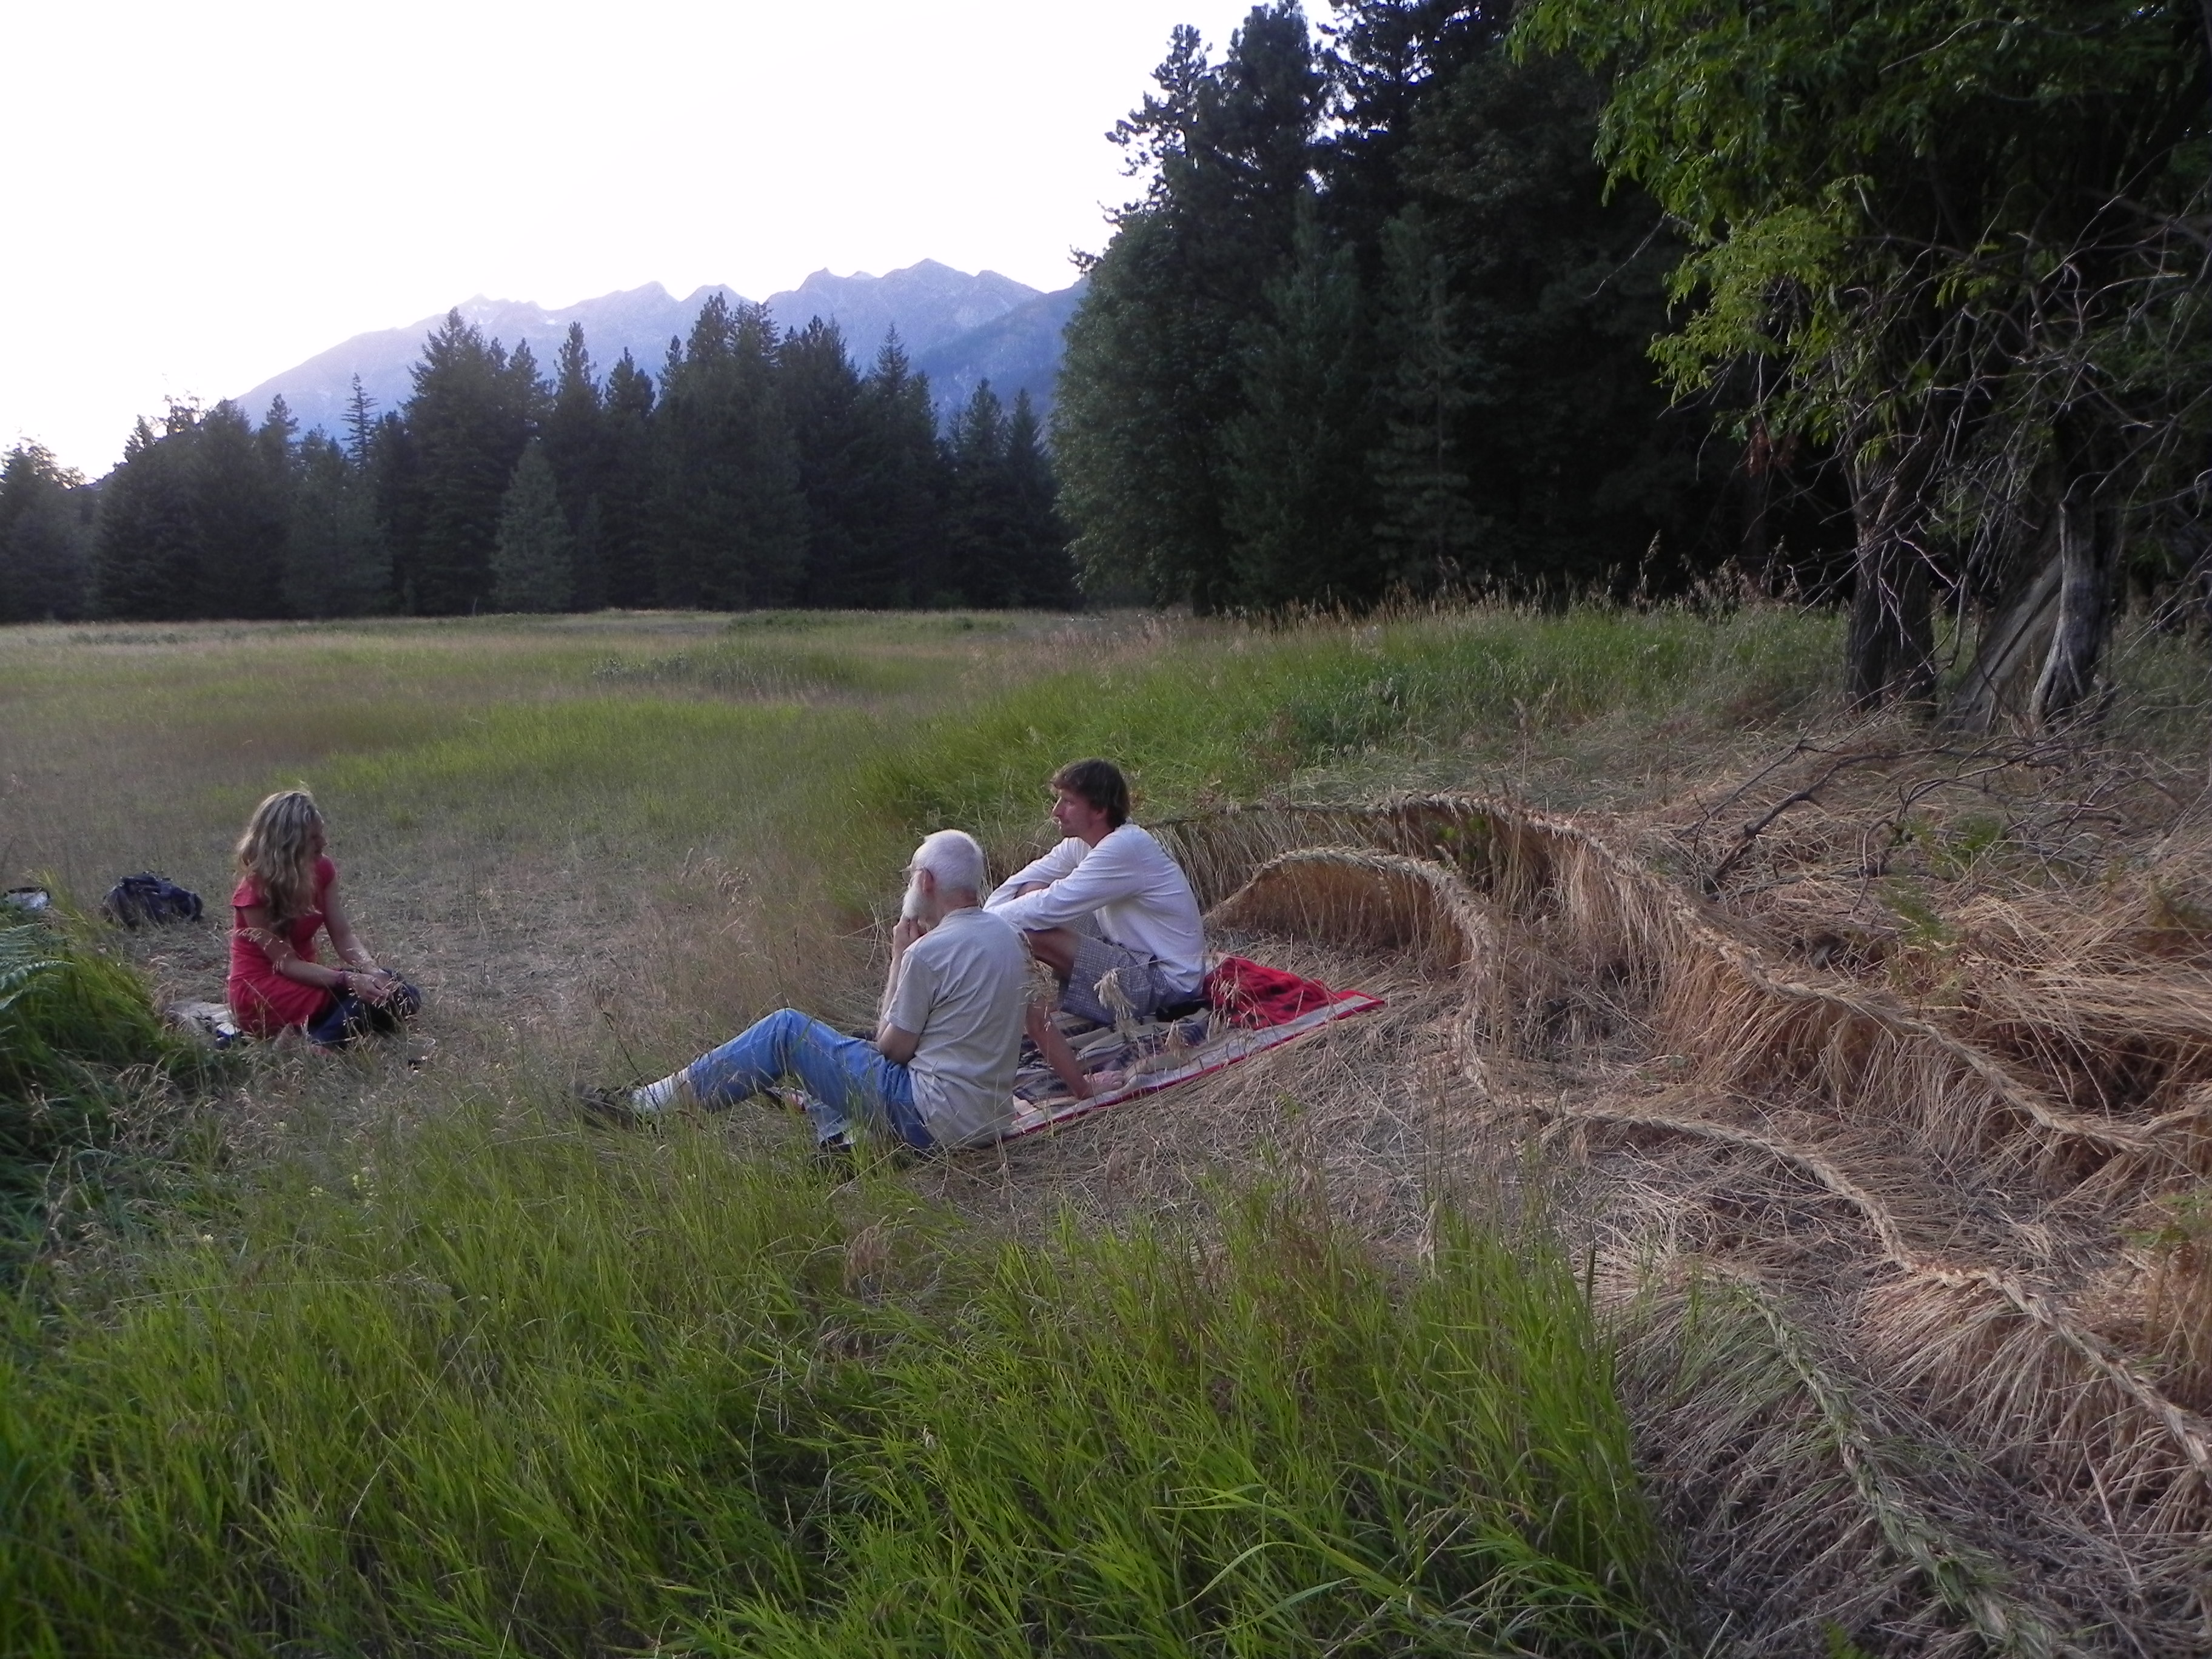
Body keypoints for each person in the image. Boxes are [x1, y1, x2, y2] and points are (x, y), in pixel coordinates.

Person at [606, 829, 1070, 1151]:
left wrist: (896, 961)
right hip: (987, 1119)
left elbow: (891, 1051)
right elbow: (1035, 1020)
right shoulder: (1008, 936)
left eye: (912, 876)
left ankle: (649, 1110)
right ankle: (840, 1141)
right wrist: (1084, 1086)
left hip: (931, 1121)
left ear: (926, 882)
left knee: (788, 1032)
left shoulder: (928, 953)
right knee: (840, 1045)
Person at [985, 758, 1205, 1027]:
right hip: (1131, 954)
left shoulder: (1125, 847)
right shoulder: (1083, 843)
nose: (1056, 812)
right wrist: (979, 920)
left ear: (1099, 810)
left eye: (1068, 802)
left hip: (1167, 984)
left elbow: (1052, 905)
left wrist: (978, 928)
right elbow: (1024, 881)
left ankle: (1004, 1012)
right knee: (1029, 893)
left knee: (1032, 930)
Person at [227, 788, 419, 1046]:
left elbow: (343, 935)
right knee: (367, 1002)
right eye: (314, 837)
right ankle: (319, 1045)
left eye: (322, 833)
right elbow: (287, 964)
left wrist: (370, 970)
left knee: (401, 992)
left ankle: (313, 1034)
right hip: (263, 988)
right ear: (289, 845)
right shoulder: (254, 891)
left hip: (311, 978)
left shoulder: (323, 869)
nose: (324, 843)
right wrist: (349, 979)